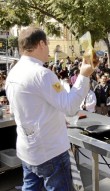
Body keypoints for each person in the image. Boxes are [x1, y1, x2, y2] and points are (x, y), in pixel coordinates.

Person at [5, 27, 95, 190]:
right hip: (50, 151)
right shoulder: (42, 74)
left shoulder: (13, 72)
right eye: (47, 44)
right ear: (41, 44)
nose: (49, 49)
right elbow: (69, 107)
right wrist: (83, 75)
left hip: (27, 149)